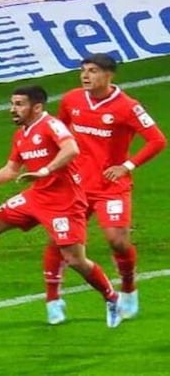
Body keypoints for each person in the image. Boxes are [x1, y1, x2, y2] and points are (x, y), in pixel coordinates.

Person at [0, 85, 125, 328]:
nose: (13, 109)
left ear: (37, 107)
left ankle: (112, 298)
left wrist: (45, 170)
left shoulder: (51, 125)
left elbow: (71, 149)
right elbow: (11, 170)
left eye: (19, 104)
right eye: (12, 104)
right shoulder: (22, 134)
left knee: (75, 260)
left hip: (65, 203)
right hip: (36, 197)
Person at [42, 54, 165, 324]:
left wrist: (127, 166)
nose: (86, 75)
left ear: (110, 75)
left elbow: (157, 140)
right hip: (75, 185)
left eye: (93, 71)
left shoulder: (128, 107)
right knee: (61, 240)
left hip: (111, 185)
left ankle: (129, 288)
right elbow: (58, 132)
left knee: (117, 241)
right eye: (83, 70)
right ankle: (53, 299)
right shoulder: (71, 99)